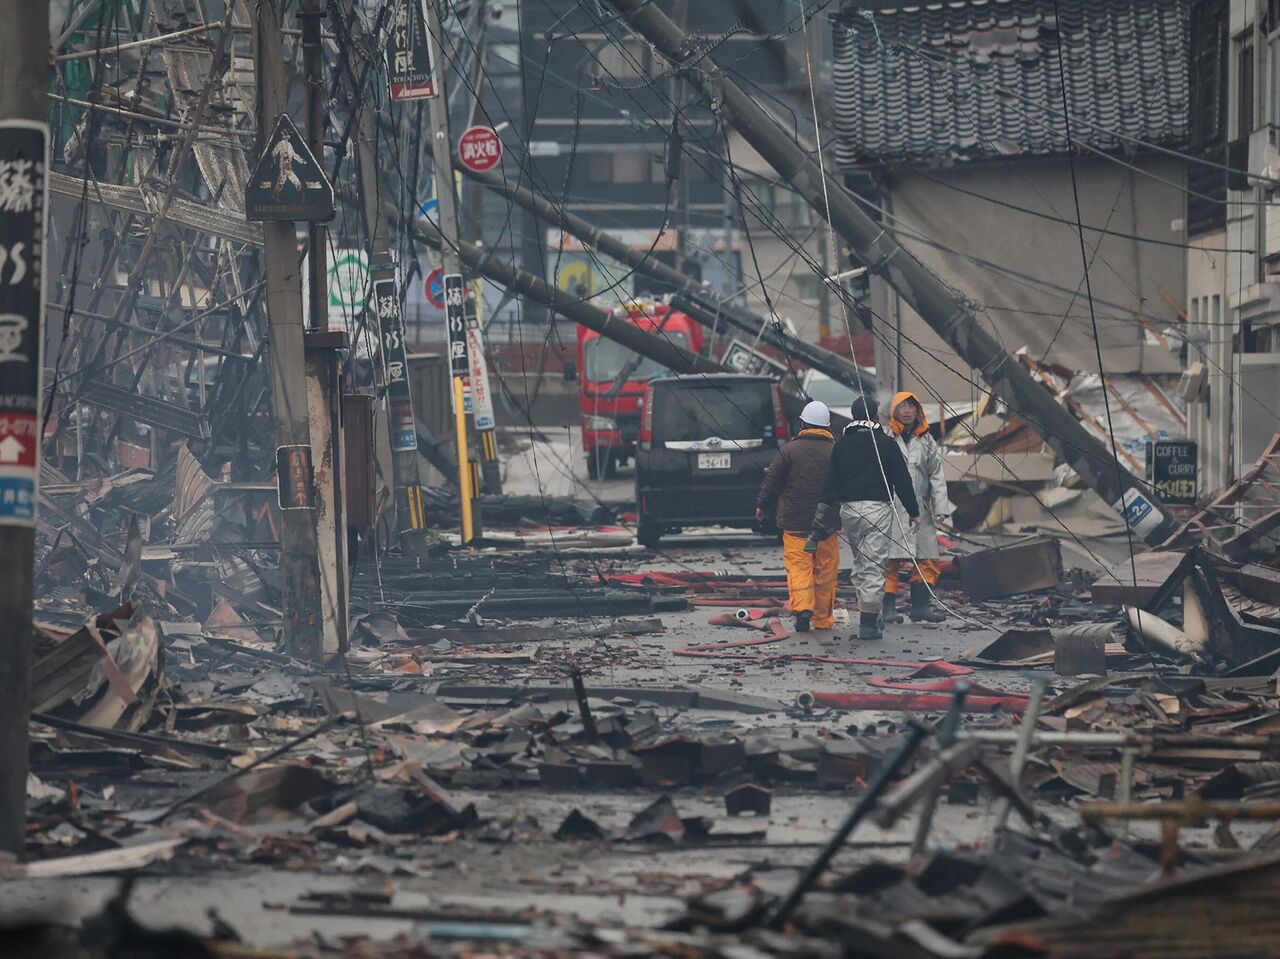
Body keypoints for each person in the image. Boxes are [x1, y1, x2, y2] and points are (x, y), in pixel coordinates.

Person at [807, 395, 919, 641]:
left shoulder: (842, 444)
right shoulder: (886, 443)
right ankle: (868, 622)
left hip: (849, 512)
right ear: (875, 416)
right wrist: (914, 511)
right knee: (874, 565)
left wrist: (822, 512)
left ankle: (870, 611)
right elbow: (902, 479)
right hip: (877, 510)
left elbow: (831, 483)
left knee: (861, 563)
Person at [756, 400, 837, 632]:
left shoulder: (788, 451)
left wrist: (762, 505)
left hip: (795, 525)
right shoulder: (835, 451)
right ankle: (822, 619)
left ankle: (802, 610)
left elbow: (772, 481)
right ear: (827, 427)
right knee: (825, 571)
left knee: (799, 568)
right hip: (827, 526)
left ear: (802, 423)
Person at [883, 392, 954, 624]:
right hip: (892, 508)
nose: (906, 411)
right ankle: (888, 608)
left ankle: (920, 607)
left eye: (911, 407)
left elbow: (936, 475)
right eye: (902, 406)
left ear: (917, 411)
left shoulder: (927, 440)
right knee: (889, 559)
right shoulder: (885, 437)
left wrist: (940, 506)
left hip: (921, 510)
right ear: (894, 409)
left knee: (927, 557)